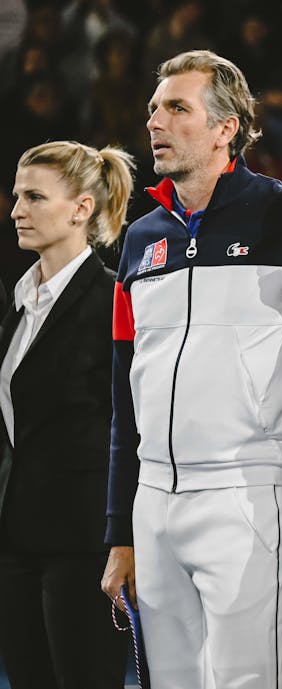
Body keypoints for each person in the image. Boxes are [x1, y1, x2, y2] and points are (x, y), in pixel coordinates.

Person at [100, 50, 282, 688]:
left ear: (226, 127)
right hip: (153, 502)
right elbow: (127, 402)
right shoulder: (140, 239)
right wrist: (120, 530)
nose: (157, 121)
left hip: (248, 493)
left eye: (178, 108)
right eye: (154, 108)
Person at [0, 140, 134, 689]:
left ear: (81, 209)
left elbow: (129, 427)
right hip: (17, 540)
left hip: (85, 546)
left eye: (34, 197)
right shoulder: (18, 305)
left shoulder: (113, 300)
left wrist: (123, 538)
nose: (16, 211)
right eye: (15, 196)